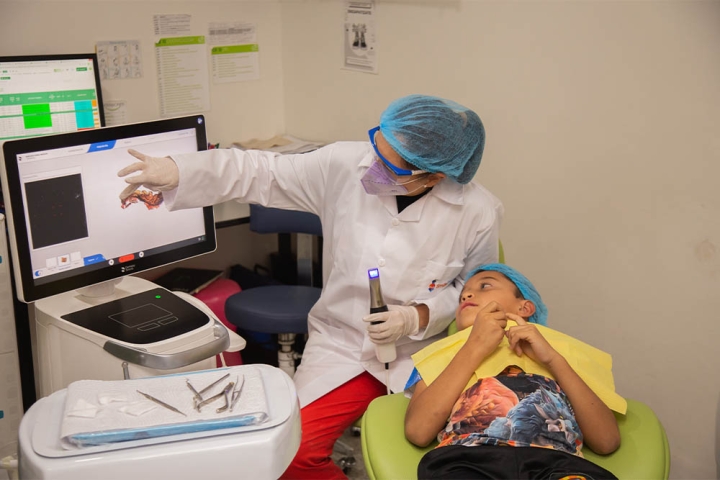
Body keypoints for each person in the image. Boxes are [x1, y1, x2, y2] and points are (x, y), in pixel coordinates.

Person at [117, 95, 504, 479]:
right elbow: (260, 171)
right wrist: (179, 171)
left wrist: (418, 315)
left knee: (450, 463)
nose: (372, 166)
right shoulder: (343, 164)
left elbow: (478, 291)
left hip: (420, 355)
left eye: (389, 164)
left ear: (433, 176)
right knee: (289, 455)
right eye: (377, 146)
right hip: (343, 344)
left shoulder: (478, 212)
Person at [404, 263, 622, 479]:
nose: (466, 294)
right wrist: (473, 347)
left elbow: (606, 441)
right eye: (463, 292)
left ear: (524, 308)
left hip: (557, 464)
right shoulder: (440, 353)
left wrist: (553, 360)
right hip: (467, 460)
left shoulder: (564, 351)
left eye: (485, 286)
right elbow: (418, 431)